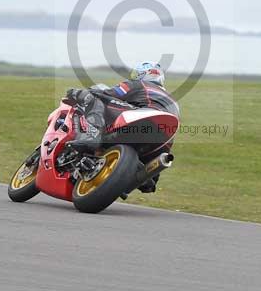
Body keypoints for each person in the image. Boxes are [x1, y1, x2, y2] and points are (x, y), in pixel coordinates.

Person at [63, 61, 179, 192]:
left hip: (142, 119)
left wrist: (80, 93)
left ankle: (90, 137)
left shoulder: (137, 84)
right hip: (163, 139)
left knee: (95, 98)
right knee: (148, 178)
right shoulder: (173, 101)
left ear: (141, 74)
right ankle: (149, 175)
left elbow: (108, 93)